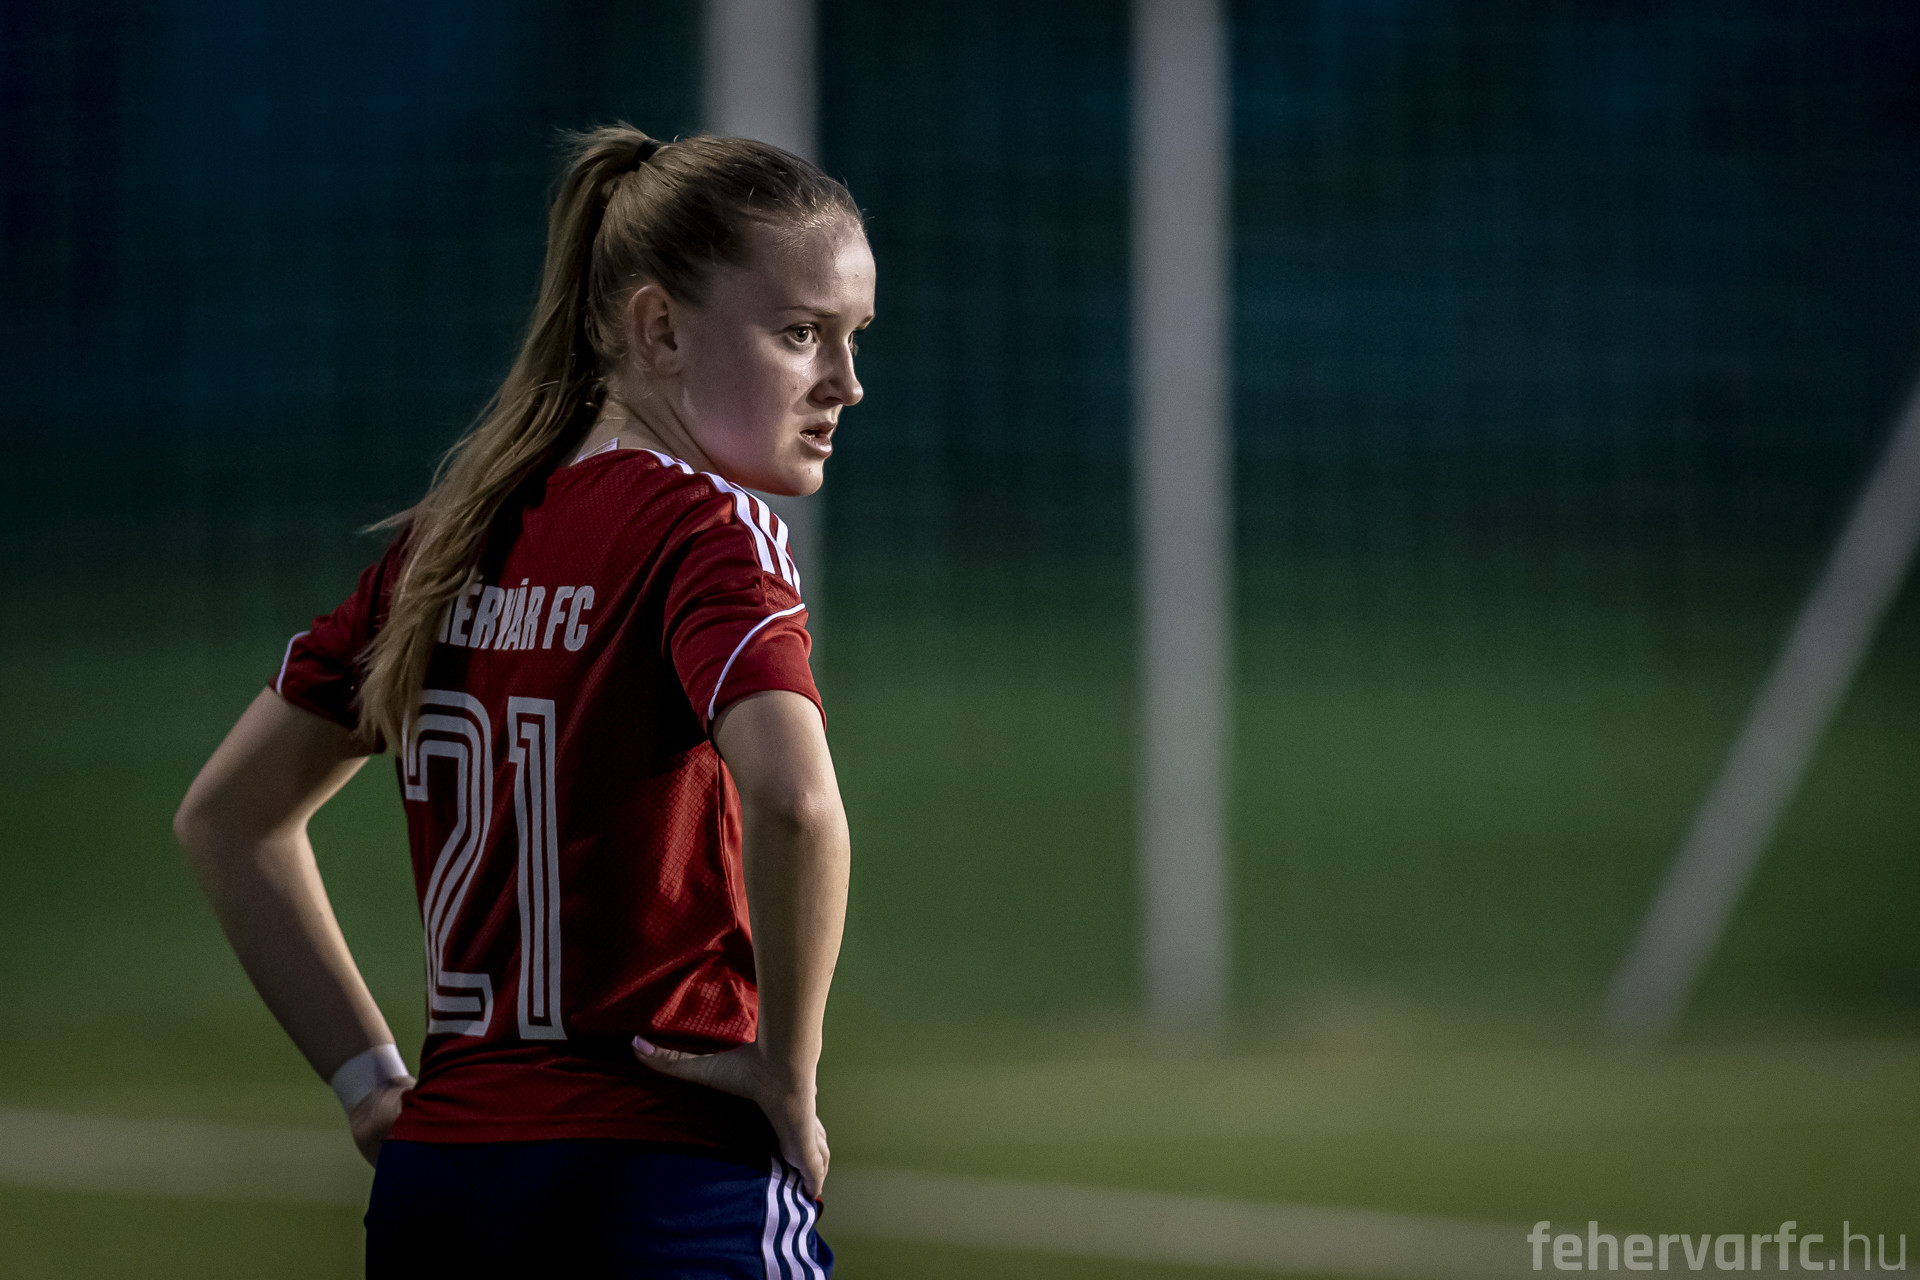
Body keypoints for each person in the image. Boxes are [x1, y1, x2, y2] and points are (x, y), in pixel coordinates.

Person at [172, 124, 872, 1278]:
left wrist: (369, 1081)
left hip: (443, 1186)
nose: (846, 382)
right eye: (802, 333)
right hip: (657, 1178)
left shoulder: (447, 545)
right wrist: (786, 1070)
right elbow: (796, 804)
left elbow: (226, 818)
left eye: (853, 337)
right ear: (659, 329)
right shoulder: (706, 531)